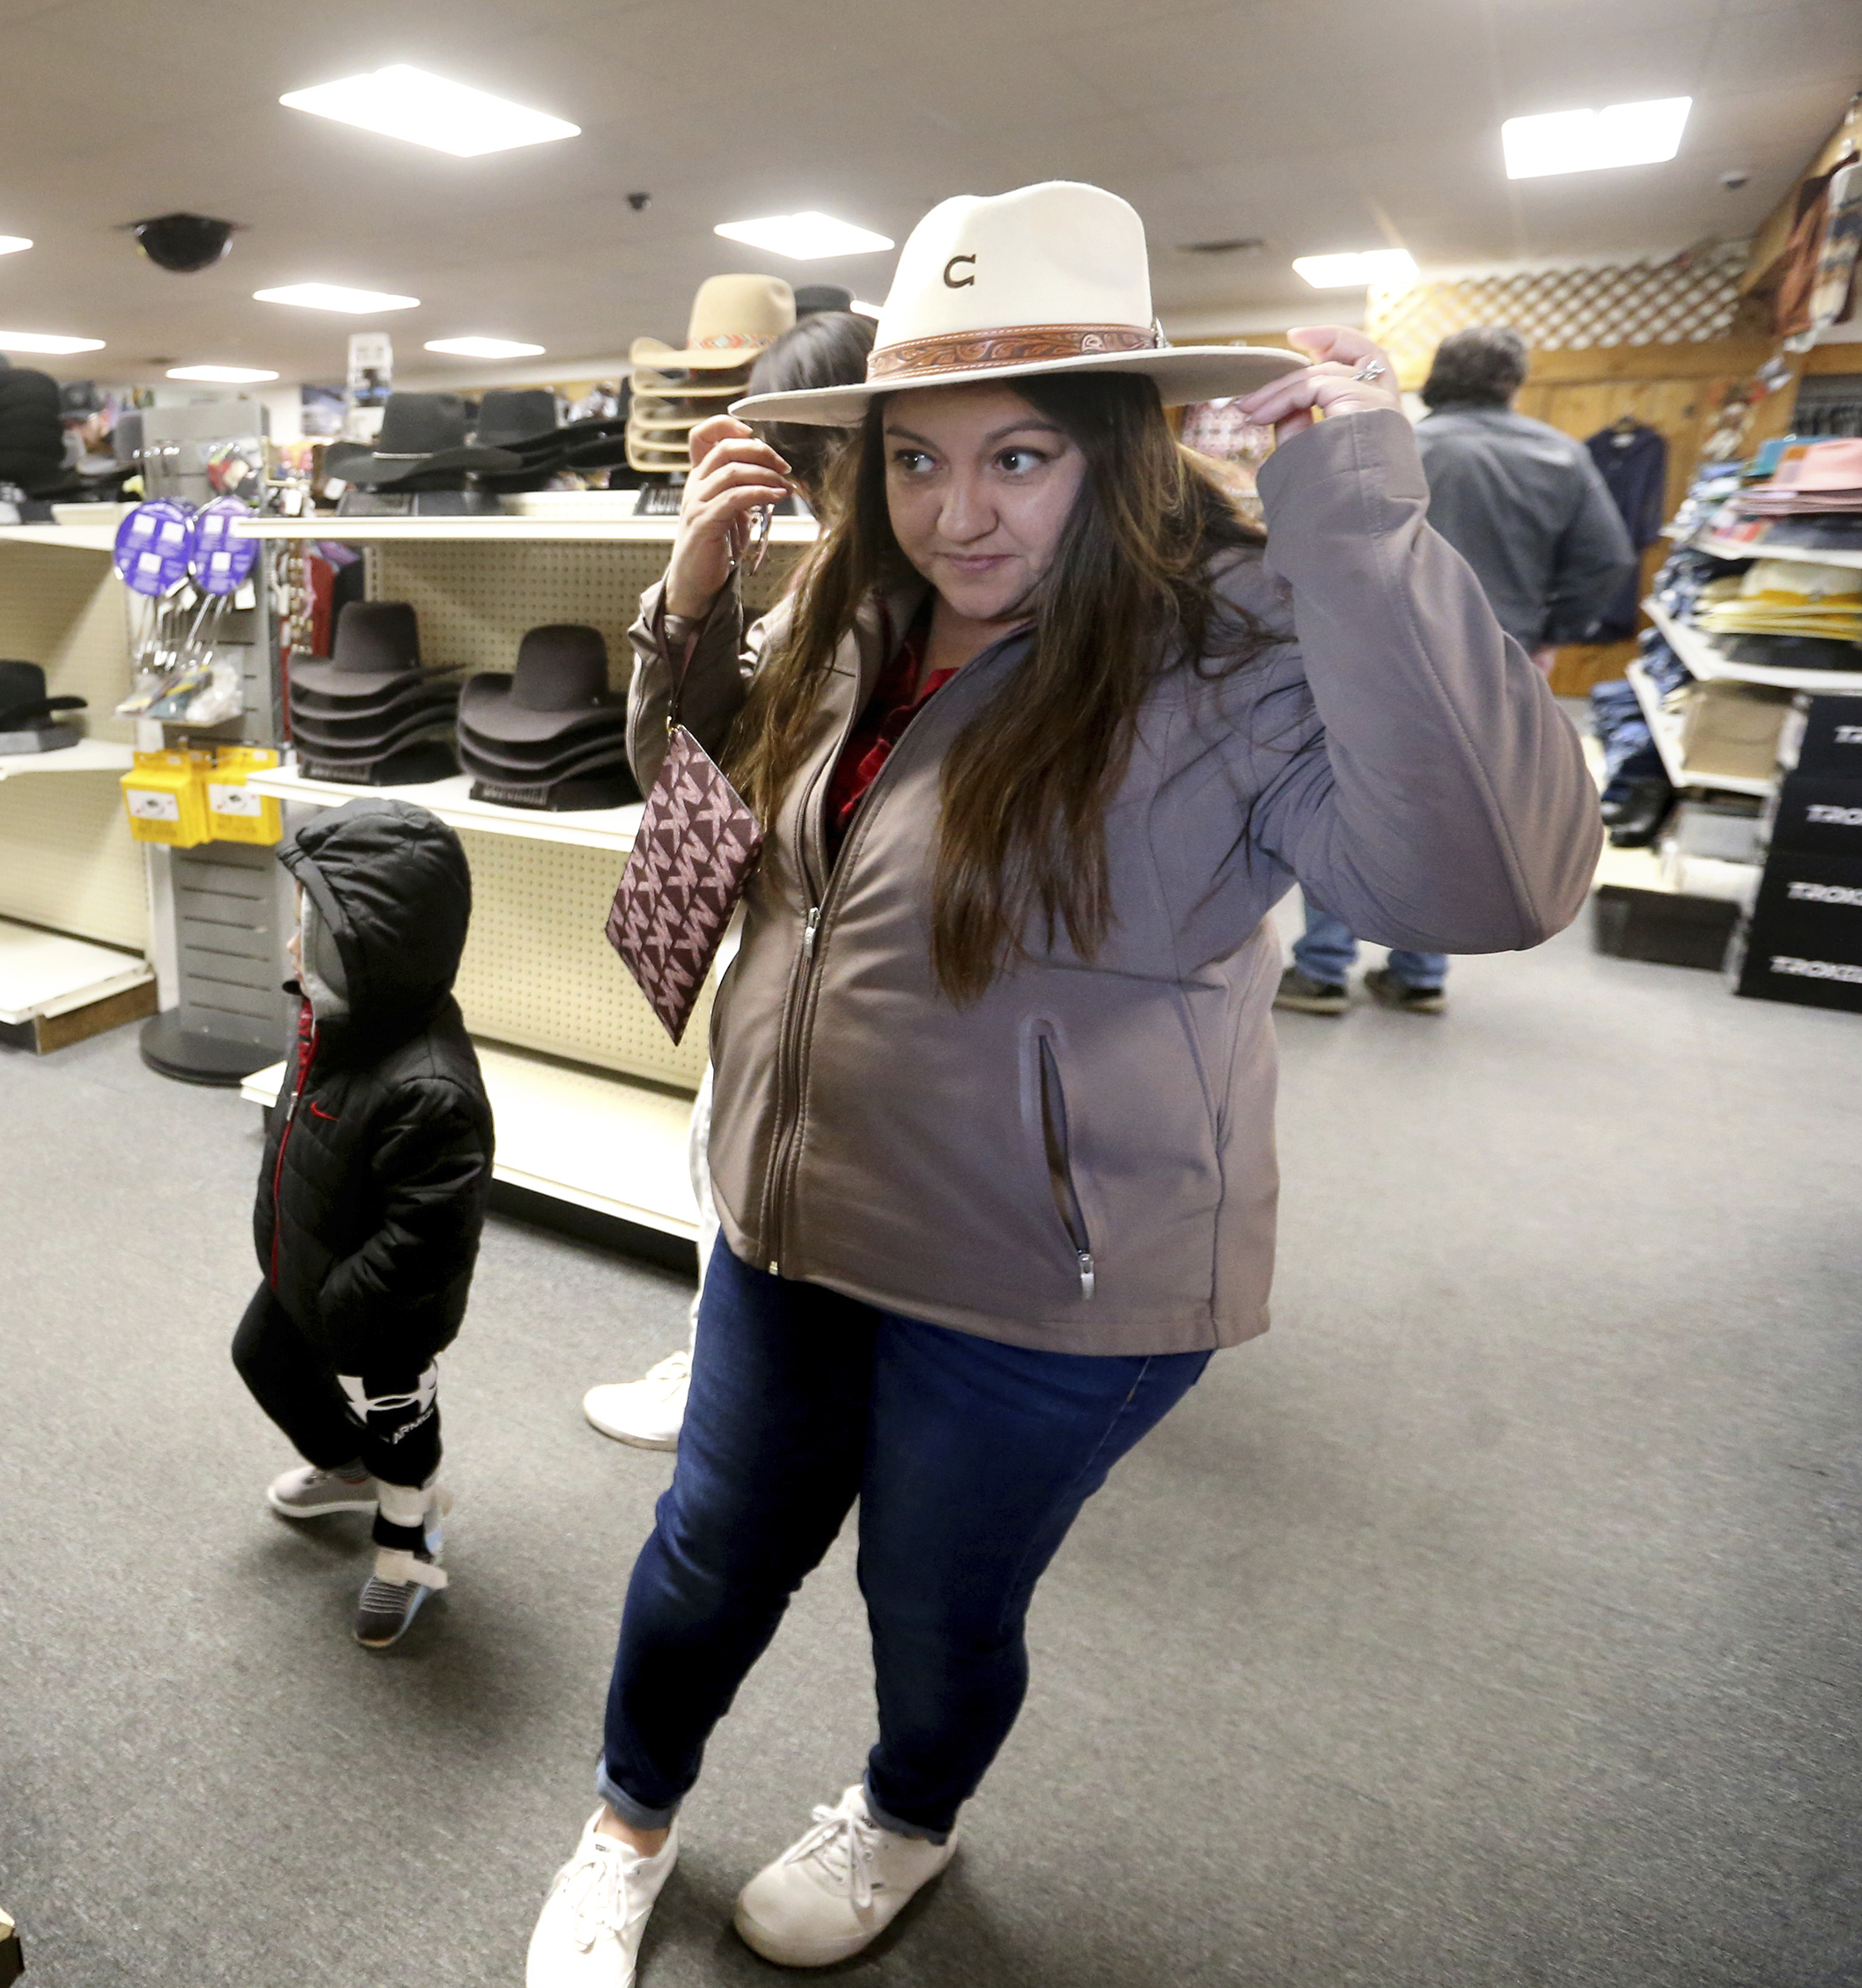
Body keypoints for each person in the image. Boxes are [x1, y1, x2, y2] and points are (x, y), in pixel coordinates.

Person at [520, 181, 1598, 1987]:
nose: (960, 513)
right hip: (782, 1217)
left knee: (933, 1604)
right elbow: (700, 807)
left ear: (1116, 446)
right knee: (704, 1553)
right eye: (919, 460)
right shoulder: (859, 612)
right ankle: (625, 1822)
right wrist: (688, 608)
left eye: (1017, 456)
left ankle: (901, 1814)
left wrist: (1350, 522)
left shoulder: (1228, 649)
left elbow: (1482, 886)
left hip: (1048, 1272)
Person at [583, 308, 879, 1454]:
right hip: (781, 965)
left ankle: (739, 1378)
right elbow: (682, 774)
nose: (821, 493)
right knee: (727, 1159)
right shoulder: (812, 596)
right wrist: (689, 599)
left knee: (760, 1171)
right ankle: (731, 1358)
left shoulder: (930, 598)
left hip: (844, 978)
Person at [1277, 322, 1635, 1018]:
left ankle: (1321, 970)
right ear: (1513, 382)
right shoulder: (1562, 456)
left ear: (1440, 375)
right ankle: (1419, 972)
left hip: (1375, 653)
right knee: (1467, 799)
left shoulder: (1390, 446)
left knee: (1353, 791)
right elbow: (1610, 559)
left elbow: (1323, 540)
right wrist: (1553, 631)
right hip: (1496, 655)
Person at [240, 800, 494, 1649]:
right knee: (261, 1355)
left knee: (399, 1429)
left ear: (376, 954)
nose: (291, 950)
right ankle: (349, 1468)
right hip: (310, 1262)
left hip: (378, 1319)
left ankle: (408, 1534)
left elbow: (425, 1241)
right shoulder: (333, 1019)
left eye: (311, 936)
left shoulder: (431, 1090)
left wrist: (351, 1313)